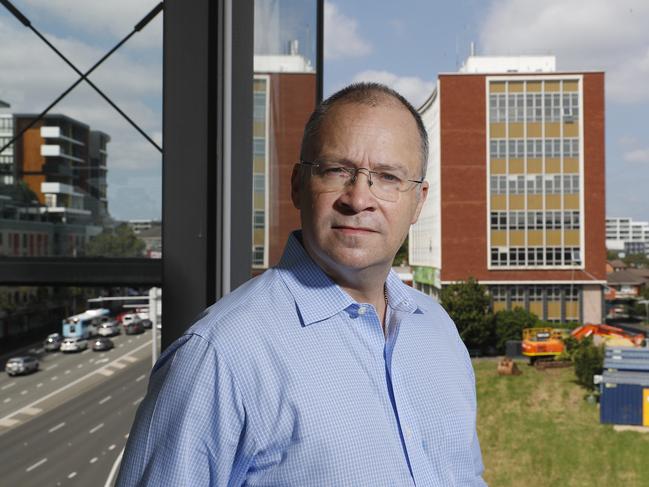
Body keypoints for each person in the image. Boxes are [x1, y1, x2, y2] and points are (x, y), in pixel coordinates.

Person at [116, 82, 486, 486]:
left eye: (387, 177)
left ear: (418, 201)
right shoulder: (219, 355)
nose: (359, 198)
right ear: (297, 185)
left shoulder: (437, 329)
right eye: (337, 170)